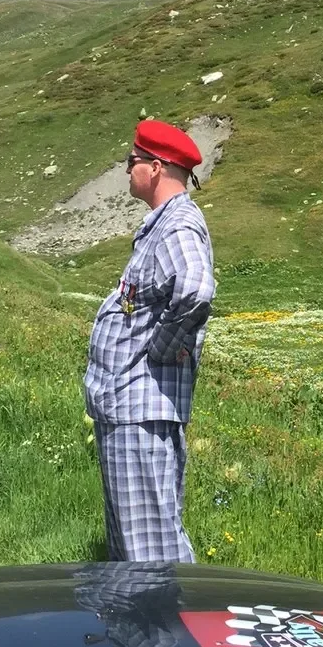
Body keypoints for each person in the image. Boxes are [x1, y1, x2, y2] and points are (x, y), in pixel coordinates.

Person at [84, 120, 215, 562]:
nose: (127, 170)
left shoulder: (178, 226)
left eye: (132, 162)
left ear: (155, 168)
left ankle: (167, 628)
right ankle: (136, 627)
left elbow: (195, 289)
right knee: (131, 545)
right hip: (128, 406)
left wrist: (160, 349)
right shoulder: (163, 225)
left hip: (142, 409)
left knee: (152, 554)